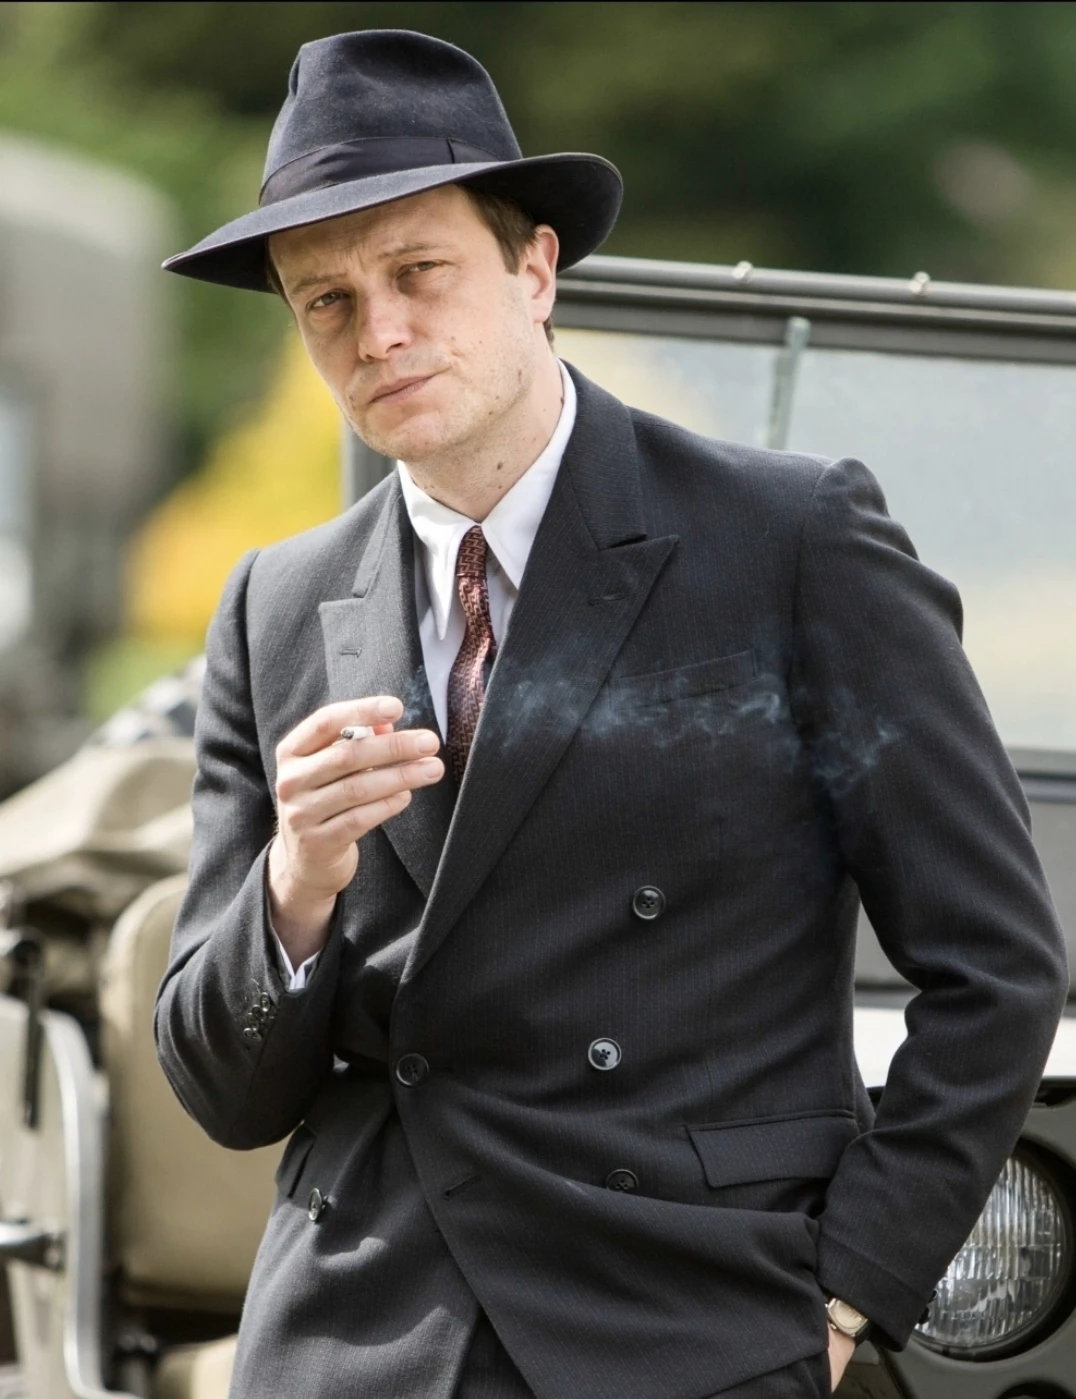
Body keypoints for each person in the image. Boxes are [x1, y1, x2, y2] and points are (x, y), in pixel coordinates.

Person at [155, 28, 1067, 1399]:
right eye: (326, 300)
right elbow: (223, 1094)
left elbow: (996, 966)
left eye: (418, 273)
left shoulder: (792, 542)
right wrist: (293, 887)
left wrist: (846, 1293)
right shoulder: (272, 606)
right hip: (363, 1334)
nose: (378, 331)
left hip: (687, 1317)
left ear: (535, 271)